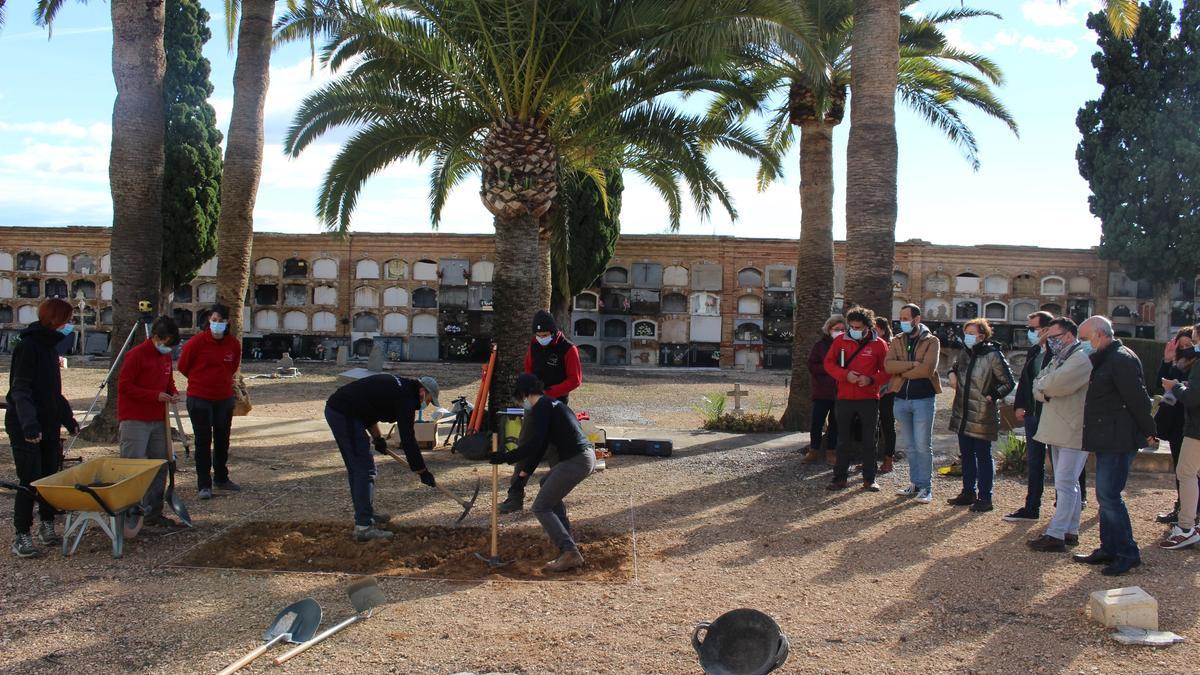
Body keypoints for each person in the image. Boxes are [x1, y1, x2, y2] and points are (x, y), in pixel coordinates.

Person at [1073, 316, 1156, 576]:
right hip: (1108, 435)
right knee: (1105, 496)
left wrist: (1150, 431)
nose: (1082, 344)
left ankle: (1127, 553)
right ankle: (1108, 547)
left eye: (1085, 339)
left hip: (1119, 437)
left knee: (1110, 496)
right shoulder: (1106, 357)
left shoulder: (1121, 359)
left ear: (1100, 335)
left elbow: (1138, 399)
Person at [491, 374, 596, 572]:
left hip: (577, 460)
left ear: (524, 394)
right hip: (584, 457)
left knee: (540, 507)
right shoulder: (553, 404)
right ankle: (566, 541)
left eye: (520, 398)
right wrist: (521, 477)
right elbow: (539, 449)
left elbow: (533, 444)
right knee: (545, 485)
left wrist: (506, 457)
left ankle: (570, 552)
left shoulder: (541, 408)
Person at [325, 373, 439, 541]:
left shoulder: (401, 388)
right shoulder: (406, 397)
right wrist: (422, 471)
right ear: (423, 391)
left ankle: (366, 514)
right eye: (429, 400)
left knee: (360, 469)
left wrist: (378, 438)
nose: (427, 405)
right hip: (344, 412)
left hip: (346, 410)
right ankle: (363, 526)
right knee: (363, 469)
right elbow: (408, 439)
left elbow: (369, 409)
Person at [5, 299, 79, 557]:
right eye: (68, 319)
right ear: (55, 319)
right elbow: (20, 390)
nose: (70, 325)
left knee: (50, 477)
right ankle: (21, 535)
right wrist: (29, 424)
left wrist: (68, 420)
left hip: (47, 423)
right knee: (30, 480)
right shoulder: (28, 346)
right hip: (26, 424)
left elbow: (53, 392)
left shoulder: (50, 347)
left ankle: (47, 524)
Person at [499, 310, 583, 513]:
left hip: (557, 407)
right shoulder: (534, 345)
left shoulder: (568, 349)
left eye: (545, 335)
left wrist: (550, 393)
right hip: (535, 405)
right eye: (539, 335)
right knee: (526, 448)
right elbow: (528, 370)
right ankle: (515, 495)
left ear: (554, 333)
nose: (541, 338)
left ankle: (554, 498)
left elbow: (575, 379)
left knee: (557, 454)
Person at [1026, 318, 1092, 552]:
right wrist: (1045, 389)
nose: (1049, 341)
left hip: (1073, 428)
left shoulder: (1080, 358)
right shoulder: (1060, 357)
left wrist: (1045, 389)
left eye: (1053, 337)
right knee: (1067, 482)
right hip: (1058, 426)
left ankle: (1056, 534)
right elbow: (1039, 383)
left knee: (1065, 483)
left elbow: (1055, 385)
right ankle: (1070, 530)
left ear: (1068, 335)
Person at [117, 316, 183, 528]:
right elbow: (125, 386)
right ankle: (129, 516)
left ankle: (153, 512)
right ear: (156, 337)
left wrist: (172, 392)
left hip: (159, 419)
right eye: (166, 343)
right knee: (133, 467)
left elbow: (168, 380)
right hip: (135, 419)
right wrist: (154, 396)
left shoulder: (164, 357)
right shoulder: (135, 355)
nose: (168, 349)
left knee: (160, 465)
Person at [946, 318, 1015, 513]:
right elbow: (956, 367)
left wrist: (992, 395)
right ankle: (968, 492)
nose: (967, 336)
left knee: (983, 456)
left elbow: (1008, 382)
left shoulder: (993, 355)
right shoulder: (965, 352)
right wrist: (951, 374)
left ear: (981, 336)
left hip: (983, 413)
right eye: (965, 332)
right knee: (966, 455)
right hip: (963, 411)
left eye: (971, 333)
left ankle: (986, 497)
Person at [177, 304, 242, 499]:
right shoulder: (196, 342)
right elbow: (183, 366)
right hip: (200, 398)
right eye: (214, 321)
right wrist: (201, 381)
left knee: (223, 439)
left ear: (227, 322)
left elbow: (233, 366)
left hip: (223, 398)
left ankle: (221, 477)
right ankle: (203, 484)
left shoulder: (232, 344)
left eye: (221, 321)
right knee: (203, 440)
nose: (217, 325)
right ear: (208, 321)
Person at [823, 307, 888, 491]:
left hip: (868, 398)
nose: (854, 329)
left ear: (867, 326)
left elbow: (886, 371)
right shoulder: (840, 341)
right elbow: (828, 363)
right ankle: (839, 478)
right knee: (843, 440)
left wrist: (871, 379)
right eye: (851, 326)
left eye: (858, 327)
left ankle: (869, 478)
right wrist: (844, 375)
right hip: (844, 397)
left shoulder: (879, 344)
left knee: (869, 440)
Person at [884, 304, 941, 504]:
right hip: (901, 399)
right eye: (901, 318)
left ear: (917, 319)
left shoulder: (932, 341)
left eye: (906, 318)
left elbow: (927, 370)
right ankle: (915, 483)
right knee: (910, 445)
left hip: (923, 399)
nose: (903, 321)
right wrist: (911, 365)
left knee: (923, 445)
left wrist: (902, 371)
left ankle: (926, 487)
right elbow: (888, 365)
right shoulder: (896, 340)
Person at [1158, 326, 1200, 550]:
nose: (1192, 345)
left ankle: (1186, 527)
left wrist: (1177, 387)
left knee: (1185, 473)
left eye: (1194, 340)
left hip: (1196, 429)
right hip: (1184, 425)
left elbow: (1192, 397)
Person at [802, 314, 845, 465]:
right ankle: (813, 450)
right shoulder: (820, 346)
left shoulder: (847, 345)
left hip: (840, 392)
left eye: (842, 329)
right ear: (829, 329)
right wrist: (830, 369)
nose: (839, 331)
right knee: (816, 422)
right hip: (821, 391)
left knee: (835, 424)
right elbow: (812, 365)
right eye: (836, 329)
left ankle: (831, 452)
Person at [873, 316, 897, 475]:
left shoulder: (892, 346)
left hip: (888, 391)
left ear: (882, 329)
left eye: (875, 329)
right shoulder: (870, 345)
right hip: (871, 390)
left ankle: (889, 459)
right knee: (871, 427)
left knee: (887, 425)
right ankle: (870, 459)